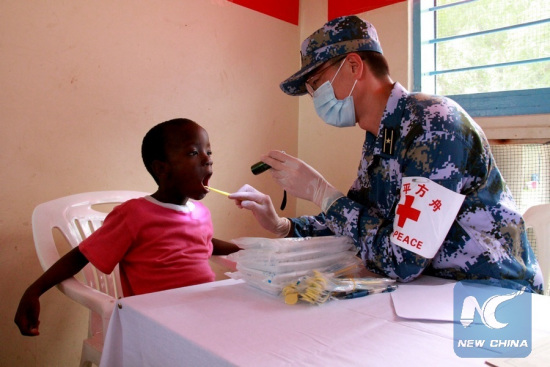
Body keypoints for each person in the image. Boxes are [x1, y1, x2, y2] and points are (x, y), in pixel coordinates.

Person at [230, 16, 544, 293]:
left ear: (353, 67)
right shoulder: (383, 136)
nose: (315, 97)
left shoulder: (434, 124)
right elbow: (362, 225)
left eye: (316, 83)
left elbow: (402, 259)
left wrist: (322, 192)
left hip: (494, 296)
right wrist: (284, 226)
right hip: (432, 292)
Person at [15, 118, 240, 336]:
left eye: (208, 152)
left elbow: (204, 243)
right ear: (161, 168)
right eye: (193, 153)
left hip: (203, 313)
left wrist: (246, 249)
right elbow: (83, 255)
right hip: (156, 324)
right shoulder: (134, 215)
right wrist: (34, 291)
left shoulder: (201, 213)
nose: (207, 159)